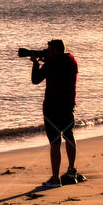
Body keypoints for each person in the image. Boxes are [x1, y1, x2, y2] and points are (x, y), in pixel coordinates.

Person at [30, 39, 79, 187]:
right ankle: (71, 171)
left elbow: (35, 80)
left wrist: (35, 63)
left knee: (55, 142)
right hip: (68, 105)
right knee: (69, 136)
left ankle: (55, 179)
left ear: (56, 50)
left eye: (50, 49)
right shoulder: (72, 61)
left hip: (52, 108)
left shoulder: (52, 63)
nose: (48, 52)